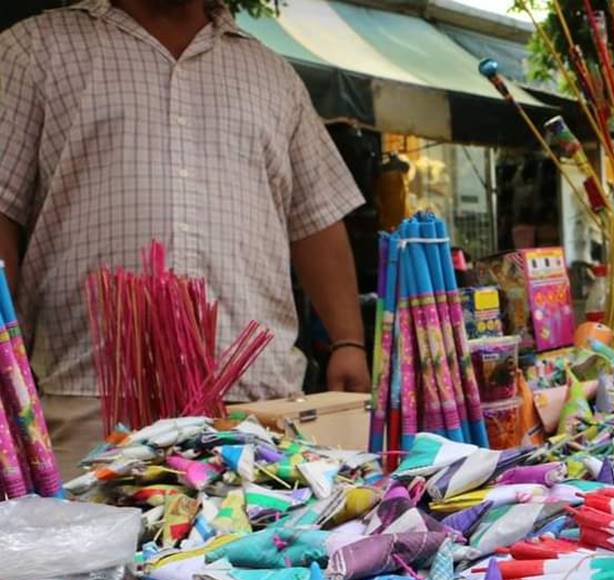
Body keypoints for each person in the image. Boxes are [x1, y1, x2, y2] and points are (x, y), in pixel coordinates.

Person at [0, 0, 371, 472]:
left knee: (257, 543)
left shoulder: (271, 74)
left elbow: (315, 218)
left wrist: (347, 341)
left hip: (255, 399)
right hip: (90, 395)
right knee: (94, 543)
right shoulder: (32, 50)